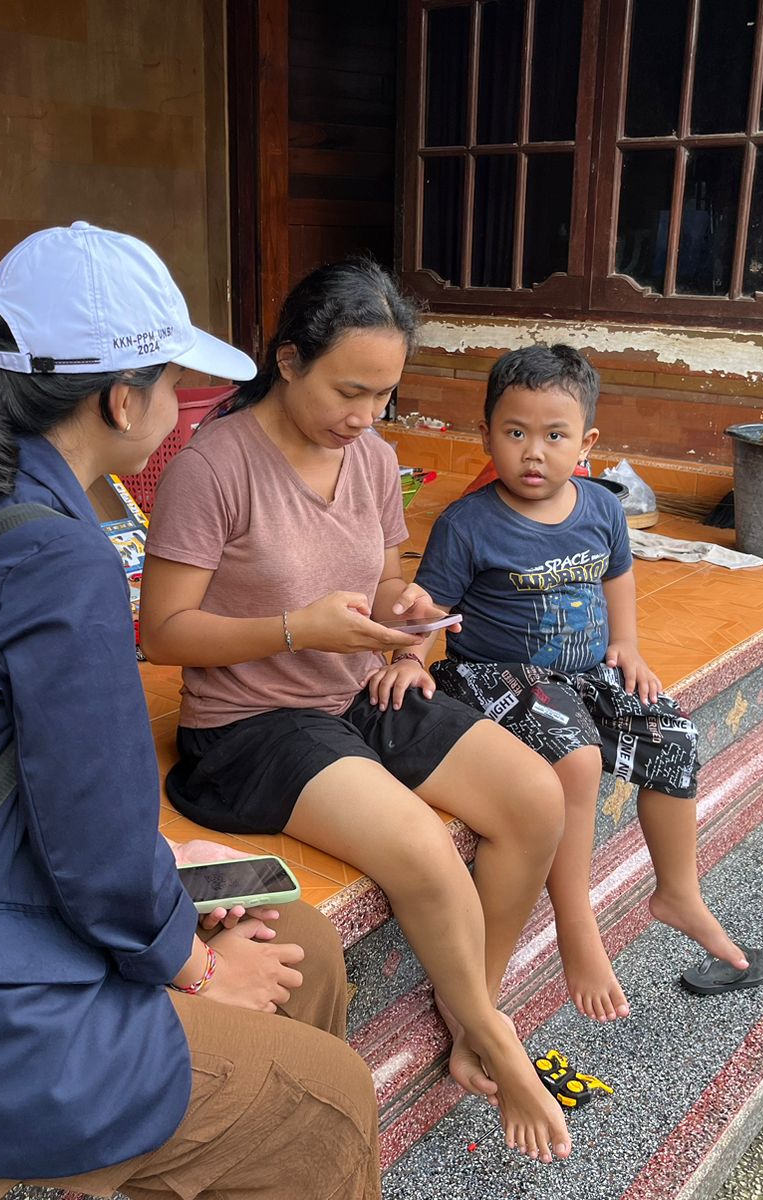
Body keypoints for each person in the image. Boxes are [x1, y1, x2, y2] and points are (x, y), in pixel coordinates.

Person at [0, 223, 381, 1200]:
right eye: (173, 383)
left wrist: (168, 871)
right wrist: (194, 967)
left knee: (301, 940)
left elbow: (10, 764)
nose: (181, 405)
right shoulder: (60, 556)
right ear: (122, 400)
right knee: (328, 1098)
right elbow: (90, 835)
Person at [137, 260, 574, 1163]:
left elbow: (381, 585)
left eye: (384, 395)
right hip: (252, 724)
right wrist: (296, 629)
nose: (366, 416)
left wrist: (407, 628)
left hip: (355, 687)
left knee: (535, 796)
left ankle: (472, 1009)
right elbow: (164, 633)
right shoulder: (214, 466)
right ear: (289, 360)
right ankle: (498, 1039)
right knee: (420, 845)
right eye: (349, 391)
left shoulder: (371, 458)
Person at [408, 344, 763, 1022]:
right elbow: (432, 608)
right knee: (576, 755)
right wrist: (407, 657)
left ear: (587, 443)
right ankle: (577, 925)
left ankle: (678, 892)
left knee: (673, 734)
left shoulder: (601, 508)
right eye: (515, 433)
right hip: (490, 676)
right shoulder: (467, 523)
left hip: (581, 674)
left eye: (554, 436)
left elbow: (618, 574)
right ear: (486, 435)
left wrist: (626, 643)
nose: (533, 453)